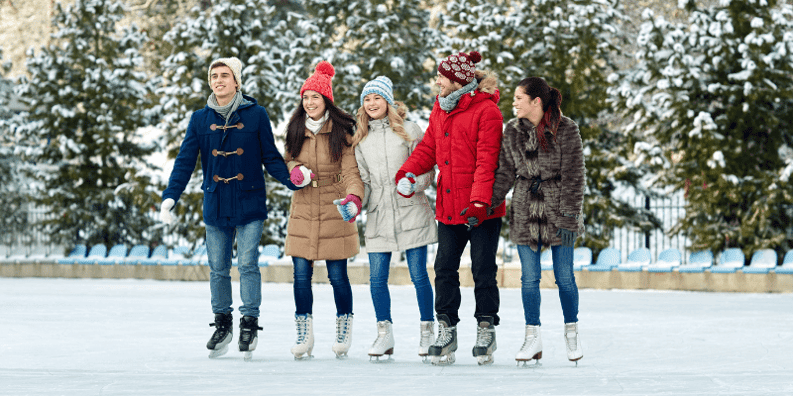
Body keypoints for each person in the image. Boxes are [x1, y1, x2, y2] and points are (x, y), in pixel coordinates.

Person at [159, 57, 301, 360]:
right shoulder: (200, 119)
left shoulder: (256, 115)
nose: (219, 80)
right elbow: (185, 161)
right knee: (218, 269)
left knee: (248, 263)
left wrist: (292, 181)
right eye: (214, 76)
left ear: (237, 82)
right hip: (216, 202)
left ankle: (249, 322)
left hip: (249, 199)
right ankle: (222, 323)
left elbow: (271, 157)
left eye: (225, 75)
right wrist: (171, 195)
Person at [395, 51, 505, 366]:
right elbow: (429, 147)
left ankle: (486, 328)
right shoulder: (441, 110)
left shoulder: (487, 111)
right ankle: (447, 329)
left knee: (484, 269)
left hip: (481, 209)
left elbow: (487, 160)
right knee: (444, 269)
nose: (438, 81)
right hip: (449, 206)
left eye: (442, 76)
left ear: (456, 79)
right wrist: (407, 173)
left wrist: (480, 200)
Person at [490, 76, 586, 367]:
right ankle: (533, 337)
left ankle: (572, 332)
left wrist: (570, 217)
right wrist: (486, 202)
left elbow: (575, 176)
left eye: (519, 98)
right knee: (529, 278)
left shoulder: (567, 129)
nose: (514, 102)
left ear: (536, 102)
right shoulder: (512, 131)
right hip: (524, 208)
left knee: (564, 277)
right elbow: (505, 172)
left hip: (559, 208)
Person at [352, 76, 438, 362]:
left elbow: (428, 169)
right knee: (376, 279)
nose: (372, 103)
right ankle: (384, 333)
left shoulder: (410, 130)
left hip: (411, 209)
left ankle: (427, 330)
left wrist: (414, 182)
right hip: (378, 213)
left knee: (418, 275)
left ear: (388, 101)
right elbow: (362, 180)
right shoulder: (360, 138)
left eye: (377, 98)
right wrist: (355, 203)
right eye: (367, 99)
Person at [282, 61, 364, 360]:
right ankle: (304, 333)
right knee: (301, 274)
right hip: (303, 207)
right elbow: (287, 160)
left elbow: (352, 171)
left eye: (315, 97)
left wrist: (354, 199)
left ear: (326, 99)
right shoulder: (295, 128)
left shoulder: (341, 132)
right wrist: (295, 171)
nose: (310, 102)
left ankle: (344, 326)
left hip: (334, 205)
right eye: (306, 97)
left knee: (337, 275)